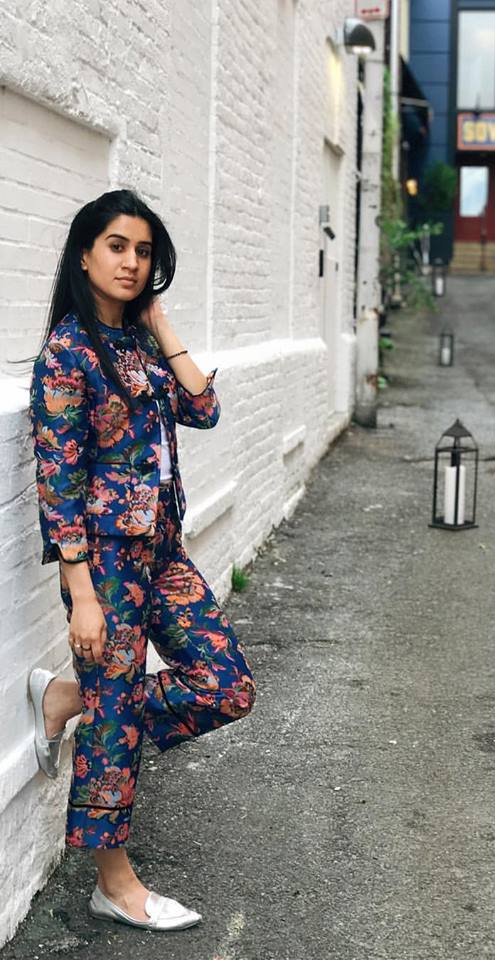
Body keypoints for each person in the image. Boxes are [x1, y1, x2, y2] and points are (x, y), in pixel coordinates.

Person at [26, 189, 256, 931]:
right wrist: (82, 595)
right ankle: (114, 884)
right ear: (85, 254)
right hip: (104, 565)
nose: (131, 262)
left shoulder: (139, 342)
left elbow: (204, 409)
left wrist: (161, 325)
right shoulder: (67, 355)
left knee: (226, 685)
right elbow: (58, 482)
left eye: (143, 251)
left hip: (161, 549)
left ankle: (75, 700)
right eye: (117, 246)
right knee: (115, 723)